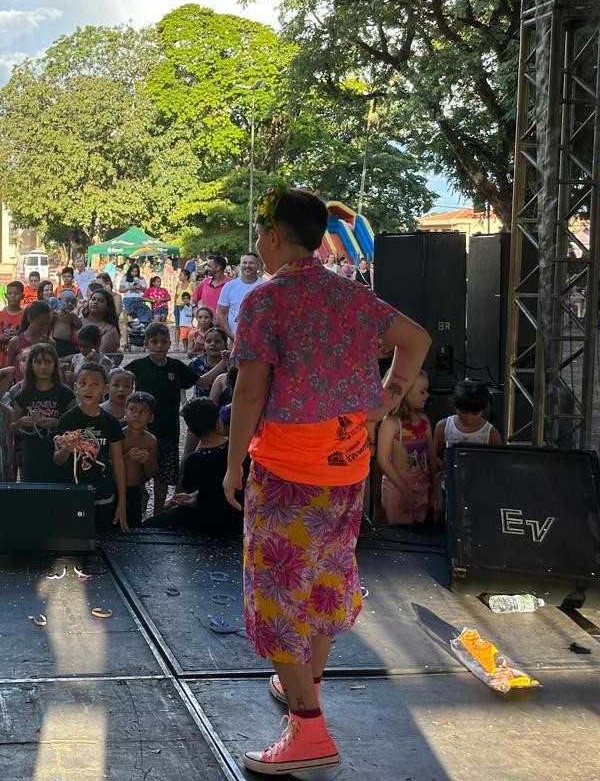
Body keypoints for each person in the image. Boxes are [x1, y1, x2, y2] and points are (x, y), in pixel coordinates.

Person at [222, 185, 430, 775]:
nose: (259, 242)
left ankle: (308, 730)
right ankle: (302, 688)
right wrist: (384, 403)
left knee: (278, 596)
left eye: (261, 233)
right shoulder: (349, 293)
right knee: (323, 583)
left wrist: (234, 463)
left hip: (287, 471)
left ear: (274, 236)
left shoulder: (266, 299)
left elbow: (249, 390)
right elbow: (416, 341)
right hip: (347, 468)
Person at [129, 322, 220, 513]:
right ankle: (139, 508)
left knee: (162, 477)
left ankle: (158, 514)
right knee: (136, 474)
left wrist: (224, 363)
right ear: (146, 343)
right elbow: (118, 382)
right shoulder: (137, 366)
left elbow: (202, 380)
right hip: (141, 431)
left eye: (164, 342)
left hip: (169, 431)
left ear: (170, 343)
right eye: (154, 342)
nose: (159, 346)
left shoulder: (176, 366)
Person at [144, 398, 243, 536]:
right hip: (236, 517)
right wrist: (194, 496)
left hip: (204, 517)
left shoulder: (195, 460)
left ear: (190, 430)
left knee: (148, 526)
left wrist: (191, 497)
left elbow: (190, 485)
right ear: (219, 421)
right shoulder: (239, 450)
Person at [52, 362, 128, 532]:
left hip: (104, 493)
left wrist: (122, 502)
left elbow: (118, 463)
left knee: (102, 540)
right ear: (75, 386)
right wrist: (66, 449)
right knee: (74, 540)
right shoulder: (67, 419)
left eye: (95, 384)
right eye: (83, 383)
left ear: (105, 389)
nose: (88, 389)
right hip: (73, 491)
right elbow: (56, 459)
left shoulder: (110, 422)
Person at [376, 371, 443, 526]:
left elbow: (431, 455)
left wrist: (435, 486)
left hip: (423, 485)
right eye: (422, 391)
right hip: (398, 488)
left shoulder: (423, 419)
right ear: (405, 393)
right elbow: (383, 460)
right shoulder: (391, 423)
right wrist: (405, 491)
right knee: (400, 535)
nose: (427, 395)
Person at [10, 343, 76, 483]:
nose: (43, 367)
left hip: (58, 455)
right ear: (31, 365)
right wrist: (22, 422)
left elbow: (75, 427)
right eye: (38, 362)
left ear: (55, 364)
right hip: (31, 455)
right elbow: (12, 428)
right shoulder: (23, 394)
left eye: (47, 362)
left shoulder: (65, 393)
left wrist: (57, 423)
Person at [119, 391, 158, 528]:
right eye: (132, 409)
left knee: (133, 526)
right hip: (115, 488)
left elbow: (151, 473)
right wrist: (127, 458)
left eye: (143, 411)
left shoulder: (151, 441)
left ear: (151, 417)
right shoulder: (119, 436)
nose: (137, 414)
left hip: (135, 490)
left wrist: (146, 461)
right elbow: (108, 465)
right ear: (125, 412)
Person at [433, 380, 501, 456]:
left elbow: (496, 461)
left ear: (484, 409)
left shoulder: (491, 434)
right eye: (463, 412)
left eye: (475, 414)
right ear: (454, 405)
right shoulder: (443, 427)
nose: (469, 418)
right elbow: (435, 456)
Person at [215, 252, 263, 341]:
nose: (247, 265)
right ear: (240, 265)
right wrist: (230, 335)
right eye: (244, 262)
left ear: (258, 266)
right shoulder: (229, 286)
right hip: (235, 339)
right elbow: (220, 313)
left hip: (259, 340)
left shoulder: (265, 286)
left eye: (251, 263)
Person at [7, 300, 54, 383]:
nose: (45, 328)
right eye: (41, 325)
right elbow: (9, 370)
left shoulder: (50, 343)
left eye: (48, 324)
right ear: (30, 319)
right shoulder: (15, 342)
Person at [0, 281, 25, 368]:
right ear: (5, 296)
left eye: (16, 293)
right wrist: (2, 337)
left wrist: (16, 337)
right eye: (10, 293)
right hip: (1, 363)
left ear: (22, 296)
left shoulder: (26, 316)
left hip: (20, 364)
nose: (13, 296)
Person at [80, 289, 122, 364]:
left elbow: (98, 356)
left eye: (101, 301)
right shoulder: (78, 321)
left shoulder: (109, 329)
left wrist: (68, 358)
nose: (95, 302)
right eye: (93, 299)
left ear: (107, 307)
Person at [188, 327, 228, 399]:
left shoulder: (231, 364)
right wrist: (184, 401)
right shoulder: (195, 363)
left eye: (217, 341)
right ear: (204, 344)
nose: (212, 344)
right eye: (208, 341)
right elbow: (181, 382)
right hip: (201, 408)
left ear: (225, 345)